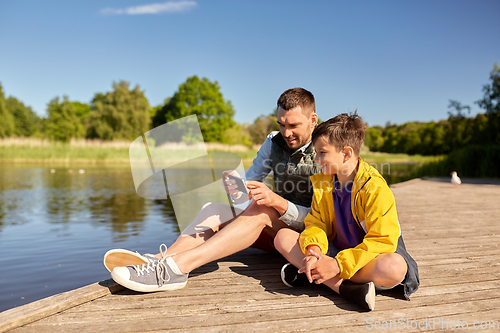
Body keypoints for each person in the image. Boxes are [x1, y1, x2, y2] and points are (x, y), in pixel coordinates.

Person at [105, 87, 323, 292]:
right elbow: (245, 197)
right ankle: (160, 259)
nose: (286, 132)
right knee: (213, 208)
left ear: (313, 120)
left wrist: (277, 202)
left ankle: (177, 268)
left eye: (293, 126)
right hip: (277, 227)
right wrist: (237, 189)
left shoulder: (325, 150)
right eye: (281, 125)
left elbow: (324, 219)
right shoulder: (272, 142)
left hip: (309, 237)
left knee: (263, 209)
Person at [274, 113, 419, 311]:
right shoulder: (324, 182)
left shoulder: (374, 188)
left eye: (322, 153)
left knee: (395, 268)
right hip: (336, 250)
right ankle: (343, 287)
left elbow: (382, 241)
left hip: (369, 257)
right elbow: (316, 223)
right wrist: (314, 250)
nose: (316, 159)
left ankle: (313, 274)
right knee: (282, 237)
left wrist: (338, 265)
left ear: (346, 153)